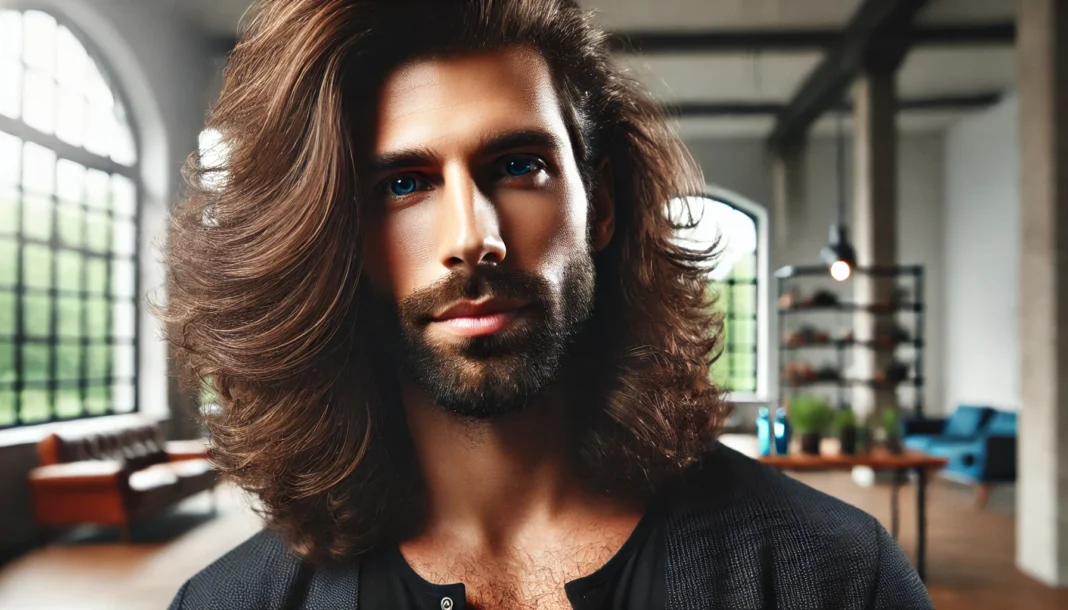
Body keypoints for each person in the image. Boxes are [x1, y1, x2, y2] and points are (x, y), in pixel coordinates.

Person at [164, 1, 932, 608]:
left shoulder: (835, 576)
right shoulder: (232, 602)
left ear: (598, 205)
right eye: (403, 184)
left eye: (519, 165)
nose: (474, 237)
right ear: (335, 239)